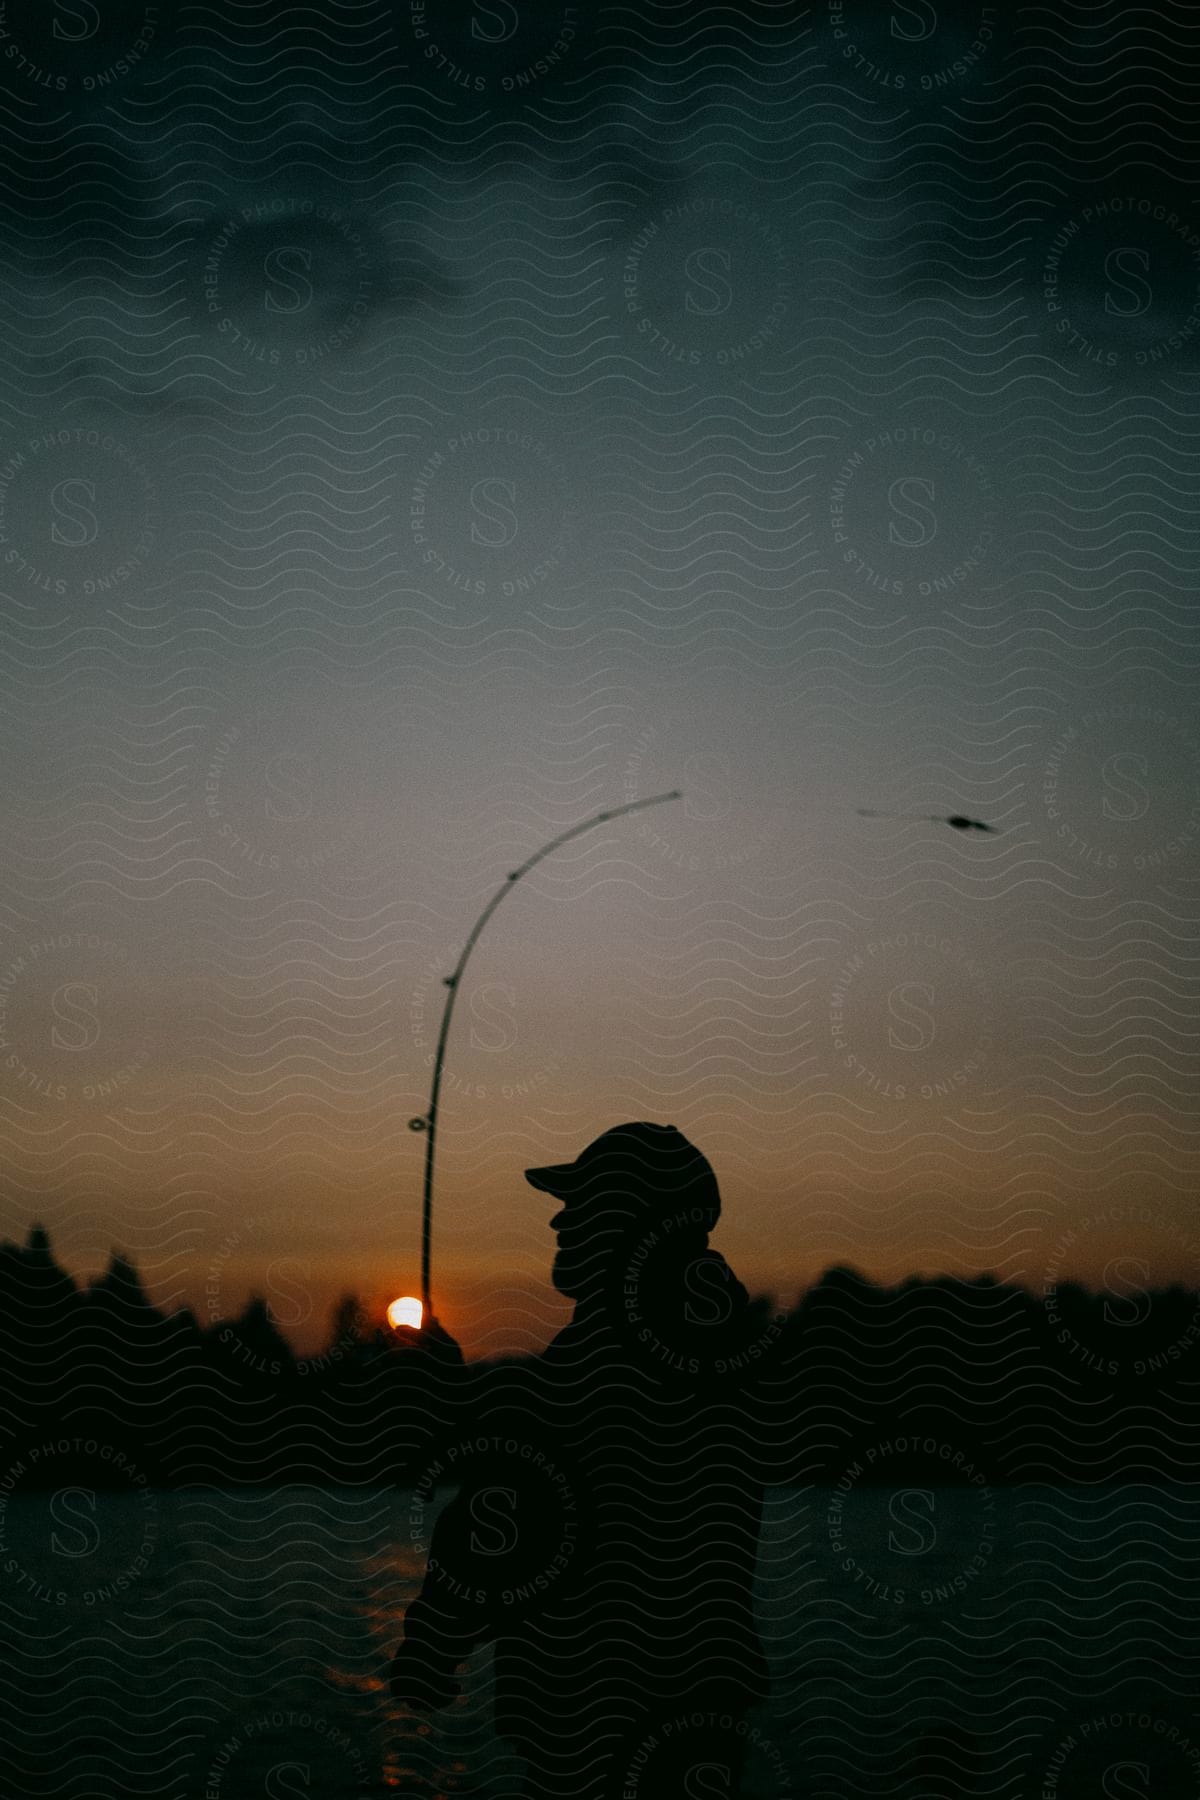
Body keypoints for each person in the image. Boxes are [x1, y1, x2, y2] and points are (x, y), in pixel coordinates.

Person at [390, 1122, 773, 1800]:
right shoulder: (702, 1338)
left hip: (600, 1716)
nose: (559, 1218)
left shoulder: (624, 1350)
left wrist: (433, 1643)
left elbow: (519, 1500)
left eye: (583, 1202)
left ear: (633, 1218)